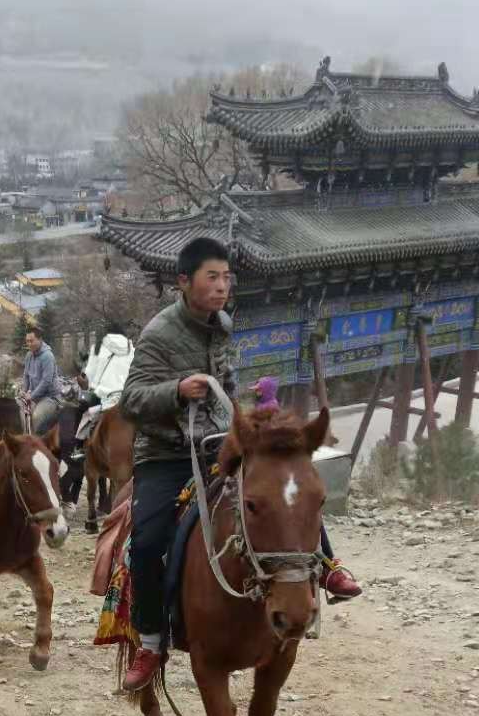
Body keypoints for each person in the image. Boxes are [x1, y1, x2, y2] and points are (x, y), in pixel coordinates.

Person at [119, 238, 359, 691]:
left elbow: (226, 387)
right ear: (184, 282)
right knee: (147, 540)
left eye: (226, 277)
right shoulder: (158, 334)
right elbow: (130, 402)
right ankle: (151, 641)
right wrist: (176, 389)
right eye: (212, 277)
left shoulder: (222, 326)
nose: (222, 285)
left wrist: (252, 418)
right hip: (167, 455)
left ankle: (326, 563)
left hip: (217, 444)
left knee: (288, 491)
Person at [248, 374, 362, 602]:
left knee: (306, 511)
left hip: (273, 467)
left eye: (259, 388)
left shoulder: (271, 410)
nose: (256, 391)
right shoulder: (254, 408)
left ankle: (328, 568)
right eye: (256, 389)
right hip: (243, 459)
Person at [21, 325, 63, 436]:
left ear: (40, 339)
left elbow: (46, 381)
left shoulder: (47, 356)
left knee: (36, 416)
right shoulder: (29, 355)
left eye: (31, 341)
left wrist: (32, 396)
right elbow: (25, 376)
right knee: (19, 412)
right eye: (27, 341)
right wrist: (24, 391)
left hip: (50, 397)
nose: (29, 344)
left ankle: (37, 446)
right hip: (35, 396)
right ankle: (25, 441)